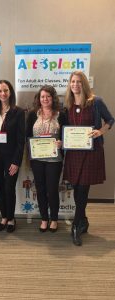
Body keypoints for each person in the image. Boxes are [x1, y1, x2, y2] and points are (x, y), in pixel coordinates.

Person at [63, 71, 114, 246]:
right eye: (72, 81)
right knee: (76, 188)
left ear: (84, 83)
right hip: (74, 152)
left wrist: (100, 131)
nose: (75, 84)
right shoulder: (68, 104)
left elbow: (110, 120)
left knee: (83, 188)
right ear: (70, 84)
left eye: (78, 81)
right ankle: (84, 219)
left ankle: (76, 226)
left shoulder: (95, 102)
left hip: (92, 152)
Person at [26, 85, 67, 233]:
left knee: (52, 189)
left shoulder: (61, 115)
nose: (45, 99)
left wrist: (61, 142)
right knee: (41, 189)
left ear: (53, 98)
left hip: (54, 160)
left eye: (48, 96)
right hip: (37, 159)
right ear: (39, 98)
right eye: (42, 96)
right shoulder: (32, 115)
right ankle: (44, 218)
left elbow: (66, 135)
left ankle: (54, 219)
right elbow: (27, 136)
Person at [0, 80, 25, 233]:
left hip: (11, 158)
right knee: (0, 187)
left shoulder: (18, 112)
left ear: (10, 92)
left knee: (9, 187)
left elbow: (21, 140)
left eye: (5, 90)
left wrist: (16, 162)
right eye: (0, 91)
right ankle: (3, 216)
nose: (3, 94)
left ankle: (11, 218)